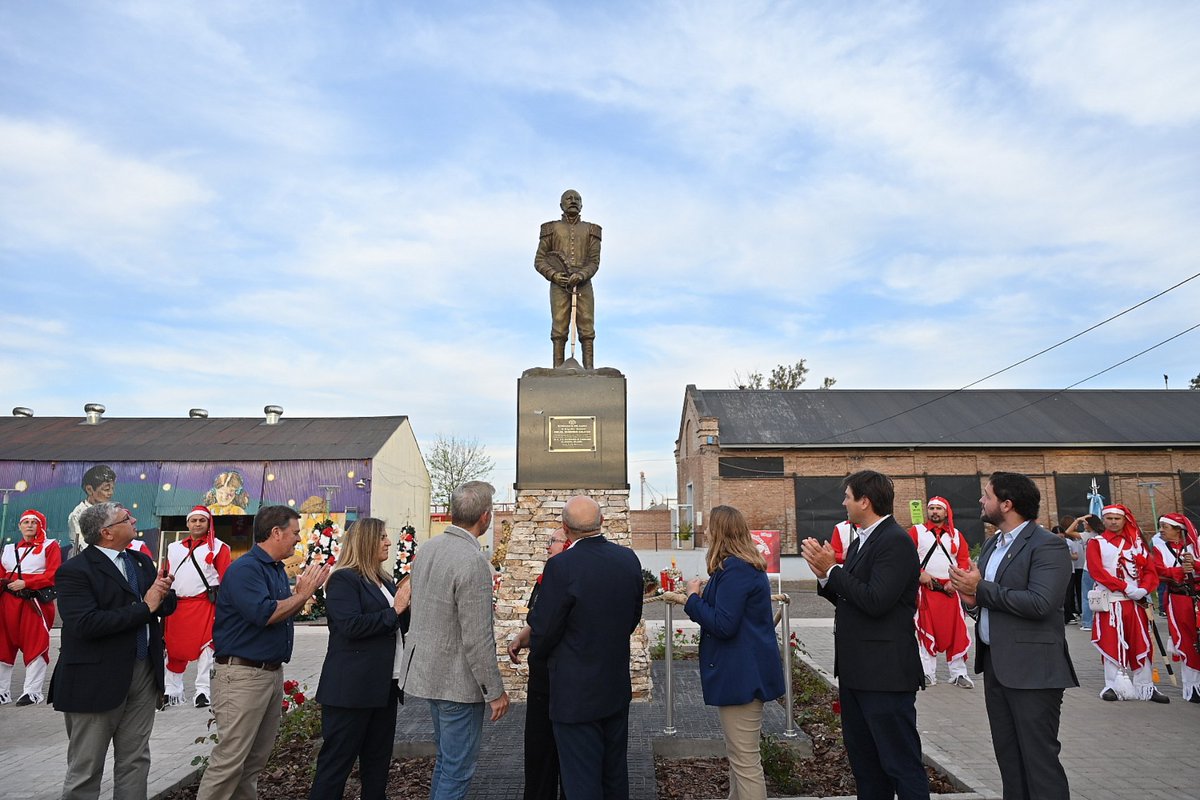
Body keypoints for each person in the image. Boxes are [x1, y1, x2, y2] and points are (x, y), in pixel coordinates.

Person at [948, 472, 1078, 800]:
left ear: (1007, 504)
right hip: (997, 666)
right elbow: (989, 600)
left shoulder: (1048, 544)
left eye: (987, 495)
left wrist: (982, 590)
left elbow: (1041, 603)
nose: (981, 500)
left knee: (1039, 762)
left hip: (1033, 671)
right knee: (1009, 759)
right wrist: (972, 601)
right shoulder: (993, 544)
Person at [799, 470, 928, 800]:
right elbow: (850, 595)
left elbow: (875, 600)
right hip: (858, 672)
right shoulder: (862, 540)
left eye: (847, 496)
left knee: (900, 763)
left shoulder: (895, 542)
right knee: (866, 766)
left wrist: (833, 571)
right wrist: (826, 578)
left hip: (885, 674)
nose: (843, 502)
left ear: (865, 501)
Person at [195, 505, 332, 800]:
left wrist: (300, 596)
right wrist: (303, 594)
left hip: (267, 674)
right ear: (276, 532)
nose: (298, 539)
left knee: (253, 762)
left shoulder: (275, 569)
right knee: (230, 761)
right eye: (295, 533)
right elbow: (265, 614)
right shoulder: (246, 570)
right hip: (242, 676)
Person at [50, 502, 177, 800]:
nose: (134, 519)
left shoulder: (140, 561)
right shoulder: (74, 571)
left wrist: (164, 594)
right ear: (106, 532)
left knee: (135, 760)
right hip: (96, 679)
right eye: (126, 518)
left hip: (143, 672)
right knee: (86, 767)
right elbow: (85, 624)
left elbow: (161, 608)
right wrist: (145, 606)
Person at [528, 495, 644, 800]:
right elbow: (633, 616)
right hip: (615, 686)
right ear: (601, 522)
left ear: (565, 529)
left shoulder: (562, 567)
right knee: (614, 775)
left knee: (581, 781)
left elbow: (545, 629)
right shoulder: (628, 559)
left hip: (574, 694)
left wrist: (539, 654)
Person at [402, 481, 510, 800]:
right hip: (457, 683)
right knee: (458, 770)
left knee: (447, 764)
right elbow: (477, 638)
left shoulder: (429, 549)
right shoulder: (472, 561)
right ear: (486, 517)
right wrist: (495, 691)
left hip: (428, 673)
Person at [683, 505, 785, 800]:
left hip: (742, 676)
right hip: (743, 673)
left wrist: (692, 598)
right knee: (740, 756)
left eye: (709, 528)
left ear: (720, 532)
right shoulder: (738, 567)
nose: (705, 532)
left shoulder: (736, 569)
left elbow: (724, 625)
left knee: (745, 761)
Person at [309, 518, 412, 800]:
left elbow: (397, 623)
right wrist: (396, 610)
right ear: (366, 542)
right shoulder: (344, 579)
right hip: (351, 691)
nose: (389, 542)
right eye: (382, 537)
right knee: (336, 766)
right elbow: (350, 626)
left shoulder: (384, 581)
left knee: (377, 765)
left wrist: (409, 605)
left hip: (384, 686)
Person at [507, 527, 570, 800]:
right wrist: (522, 638)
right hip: (542, 677)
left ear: (568, 544)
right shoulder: (546, 578)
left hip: (564, 677)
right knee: (539, 751)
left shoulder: (569, 578)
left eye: (553, 542)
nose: (547, 547)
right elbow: (538, 620)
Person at [1085, 503, 1167, 703]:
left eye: (1117, 518)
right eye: (1109, 518)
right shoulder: (1097, 543)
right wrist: (1125, 587)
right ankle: (1113, 685)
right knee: (1112, 641)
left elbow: (1149, 569)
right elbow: (1097, 572)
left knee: (1142, 642)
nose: (1113, 522)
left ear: (1124, 520)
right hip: (1112, 602)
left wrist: (1144, 589)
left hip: (1136, 602)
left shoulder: (1137, 543)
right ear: (1103, 520)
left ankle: (1145, 687)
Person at [162, 506, 231, 708]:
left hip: (204, 605)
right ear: (187, 523)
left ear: (209, 523)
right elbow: (167, 573)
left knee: (207, 648)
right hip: (177, 606)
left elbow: (226, 579)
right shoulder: (174, 548)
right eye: (194, 520)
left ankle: (203, 691)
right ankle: (172, 691)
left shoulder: (219, 547)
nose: (198, 524)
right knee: (173, 649)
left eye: (202, 520)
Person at [908, 497, 973, 688]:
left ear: (946, 513)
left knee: (957, 632)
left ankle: (959, 673)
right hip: (927, 591)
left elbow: (964, 561)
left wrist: (956, 581)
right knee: (925, 631)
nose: (934, 512)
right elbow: (907, 557)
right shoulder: (917, 532)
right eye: (931, 508)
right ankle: (927, 674)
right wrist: (920, 574)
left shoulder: (956, 535)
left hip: (951, 592)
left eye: (938, 508)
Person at [0, 508, 62, 705]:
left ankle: (32, 692)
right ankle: (2, 691)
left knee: (35, 642)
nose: (29, 526)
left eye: (33, 522)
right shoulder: (9, 549)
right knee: (3, 644)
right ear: (19, 526)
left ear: (40, 525)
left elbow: (54, 574)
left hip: (33, 601)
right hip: (8, 601)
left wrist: (26, 583)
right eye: (25, 522)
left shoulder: (50, 546)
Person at [534, 189, 601, 369]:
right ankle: (557, 369)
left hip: (583, 282)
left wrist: (581, 275)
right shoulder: (551, 228)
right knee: (559, 326)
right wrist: (554, 275)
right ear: (561, 204)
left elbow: (594, 261)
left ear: (582, 204)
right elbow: (539, 260)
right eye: (568, 198)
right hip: (559, 282)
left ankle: (589, 370)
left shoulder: (592, 230)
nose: (573, 201)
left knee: (587, 327)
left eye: (577, 199)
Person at [1150, 513, 1199, 702]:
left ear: (1179, 530)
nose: (1161, 530)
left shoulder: (1196, 546)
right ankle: (1192, 687)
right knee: (1187, 641)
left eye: (1165, 527)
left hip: (1197, 599)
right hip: (1178, 599)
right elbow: (1157, 570)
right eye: (1160, 526)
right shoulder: (1160, 548)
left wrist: (1195, 565)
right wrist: (1177, 571)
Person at [66, 464, 117, 553]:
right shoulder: (77, 515)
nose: (111, 493)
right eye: (106, 489)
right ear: (89, 489)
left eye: (112, 488)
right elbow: (82, 546)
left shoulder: (114, 510)